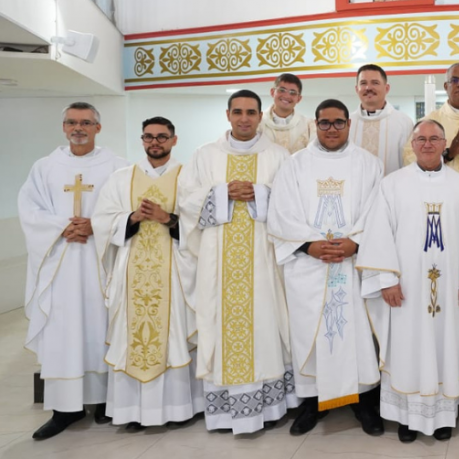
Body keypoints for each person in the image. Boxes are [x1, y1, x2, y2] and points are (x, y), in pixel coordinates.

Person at [177, 90, 298, 434]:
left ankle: (270, 407)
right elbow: (186, 200)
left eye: (251, 112)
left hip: (264, 260)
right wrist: (221, 193)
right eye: (238, 112)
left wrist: (260, 194)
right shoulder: (204, 155)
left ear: (261, 116)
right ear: (227, 115)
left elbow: (291, 202)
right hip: (217, 262)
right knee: (219, 321)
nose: (244, 118)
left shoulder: (279, 156)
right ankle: (225, 410)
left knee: (265, 322)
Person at [267, 99, 385, 436]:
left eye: (338, 123)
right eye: (324, 123)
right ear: (314, 125)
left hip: (352, 261)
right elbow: (281, 212)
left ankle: (363, 400)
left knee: (356, 332)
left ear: (349, 124)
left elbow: (377, 209)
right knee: (311, 333)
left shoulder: (368, 163)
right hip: (308, 265)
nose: (331, 129)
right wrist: (309, 245)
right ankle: (312, 401)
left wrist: (355, 242)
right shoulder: (295, 165)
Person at [358, 119, 459, 443]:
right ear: (412, 145)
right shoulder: (392, 184)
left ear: (444, 144)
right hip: (406, 288)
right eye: (421, 139)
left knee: (444, 345)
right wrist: (385, 279)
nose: (427, 144)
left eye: (434, 138)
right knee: (407, 347)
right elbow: (379, 234)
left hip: (449, 285)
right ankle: (407, 419)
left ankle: (442, 418)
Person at [19, 102, 129, 440]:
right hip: (60, 264)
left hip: (101, 263)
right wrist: (61, 227)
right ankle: (65, 409)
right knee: (63, 331)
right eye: (71, 122)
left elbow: (128, 210)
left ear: (98, 127)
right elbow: (30, 210)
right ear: (63, 127)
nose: (77, 128)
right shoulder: (44, 167)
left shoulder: (119, 167)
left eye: (85, 122)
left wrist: (95, 226)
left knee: (102, 327)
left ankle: (105, 403)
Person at [92, 116, 204, 431]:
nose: (155, 142)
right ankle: (132, 411)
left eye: (162, 137)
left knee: (174, 336)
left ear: (174, 139)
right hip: (132, 273)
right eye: (149, 137)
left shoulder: (188, 178)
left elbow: (200, 224)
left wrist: (167, 217)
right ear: (142, 140)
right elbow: (102, 220)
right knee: (133, 337)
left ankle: (181, 408)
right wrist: (131, 217)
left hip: (175, 272)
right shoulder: (121, 178)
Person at [348, 64, 414, 175]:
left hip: (391, 190)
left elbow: (409, 162)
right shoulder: (346, 123)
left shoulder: (404, 122)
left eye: (375, 83)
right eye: (363, 83)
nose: (368, 88)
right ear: (356, 89)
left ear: (386, 88)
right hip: (355, 190)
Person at [258, 73, 318, 153]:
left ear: (299, 99)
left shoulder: (309, 126)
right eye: (282, 90)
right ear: (272, 92)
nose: (286, 96)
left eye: (292, 92)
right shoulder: (258, 123)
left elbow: (313, 154)